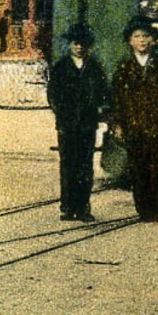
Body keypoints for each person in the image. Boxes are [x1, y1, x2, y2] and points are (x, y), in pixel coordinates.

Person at [110, 17, 158, 223]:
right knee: (138, 168)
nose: (141, 40)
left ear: (153, 41)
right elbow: (116, 99)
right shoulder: (123, 67)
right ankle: (144, 209)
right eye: (137, 36)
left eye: (146, 36)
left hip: (156, 125)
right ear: (130, 41)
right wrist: (117, 124)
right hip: (133, 126)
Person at [48, 21, 108, 221]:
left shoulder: (95, 68)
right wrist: (62, 115)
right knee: (68, 166)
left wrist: (98, 113)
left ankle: (83, 207)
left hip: (87, 125)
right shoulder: (61, 68)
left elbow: (102, 94)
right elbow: (53, 95)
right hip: (67, 125)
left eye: (83, 43)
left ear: (88, 45)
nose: (79, 47)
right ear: (70, 44)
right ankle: (67, 207)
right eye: (76, 43)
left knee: (85, 166)